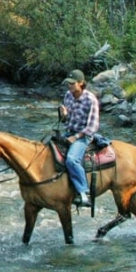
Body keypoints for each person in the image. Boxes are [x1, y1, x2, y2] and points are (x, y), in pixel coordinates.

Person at [57, 70, 101, 207]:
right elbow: (66, 120)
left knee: (71, 159)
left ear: (81, 83)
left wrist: (75, 137)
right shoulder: (68, 96)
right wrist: (63, 115)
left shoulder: (90, 99)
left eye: (72, 83)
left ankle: (83, 193)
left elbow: (92, 126)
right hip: (69, 132)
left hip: (83, 136)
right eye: (67, 83)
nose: (69, 86)